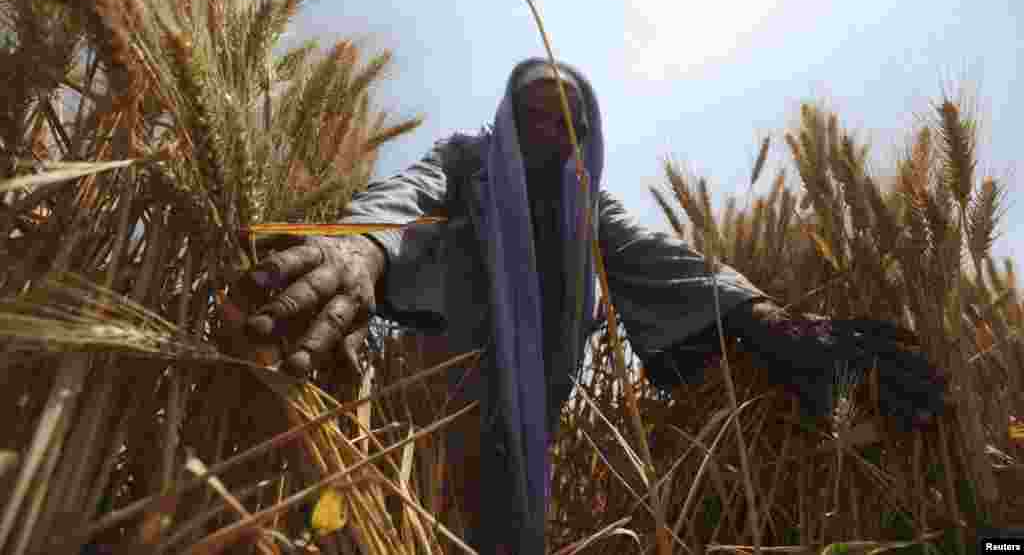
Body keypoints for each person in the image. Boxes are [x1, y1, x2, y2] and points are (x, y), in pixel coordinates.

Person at [223, 58, 946, 555]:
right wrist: (358, 252)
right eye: (532, 112)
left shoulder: (587, 208)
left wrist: (775, 323)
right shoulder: (466, 164)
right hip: (430, 428)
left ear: (584, 136)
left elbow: (670, 263)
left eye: (565, 120)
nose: (547, 131)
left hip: (530, 454)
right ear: (506, 118)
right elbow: (399, 203)